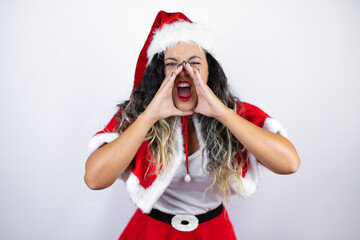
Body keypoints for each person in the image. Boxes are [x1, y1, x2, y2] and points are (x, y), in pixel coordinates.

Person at [84, 11, 300, 240]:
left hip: (213, 232)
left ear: (210, 71)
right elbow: (94, 179)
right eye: (172, 64)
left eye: (194, 63)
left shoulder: (234, 112)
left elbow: (290, 163)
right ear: (160, 73)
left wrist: (222, 114)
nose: (183, 71)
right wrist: (148, 117)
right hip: (150, 232)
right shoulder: (137, 113)